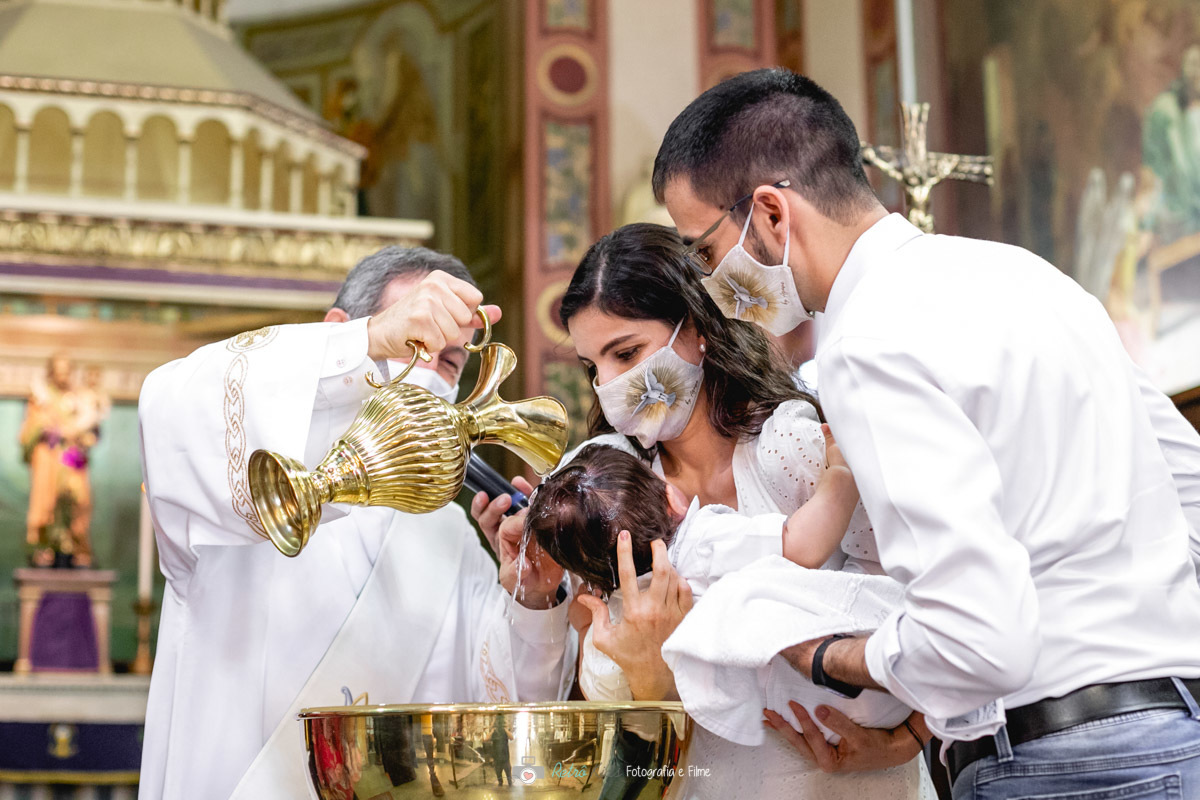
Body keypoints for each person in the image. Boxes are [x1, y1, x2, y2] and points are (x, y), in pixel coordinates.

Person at [653, 67, 1200, 797]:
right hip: (1175, 729)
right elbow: (1190, 489)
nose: (706, 281)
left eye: (702, 249)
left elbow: (979, 640)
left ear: (772, 214)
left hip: (1057, 759)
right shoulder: (1033, 278)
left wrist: (826, 655)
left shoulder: (870, 340)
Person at [474, 223, 932, 798]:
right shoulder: (599, 485)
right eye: (594, 366)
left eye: (627, 352)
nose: (610, 384)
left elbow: (924, 601)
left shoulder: (797, 446)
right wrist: (536, 596)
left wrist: (907, 737)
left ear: (694, 331)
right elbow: (525, 716)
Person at [138, 246, 575, 800]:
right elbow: (166, 403)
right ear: (338, 333)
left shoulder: (452, 538)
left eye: (450, 363)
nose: (433, 379)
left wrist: (532, 597)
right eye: (413, 343)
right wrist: (368, 344)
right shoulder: (243, 479)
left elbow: (507, 711)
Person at [20, 354, 103, 567]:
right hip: (50, 459)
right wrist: (48, 428)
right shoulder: (41, 398)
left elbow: (92, 429)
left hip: (72, 460)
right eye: (60, 371)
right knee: (47, 502)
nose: (64, 376)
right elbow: (30, 430)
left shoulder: (79, 397)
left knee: (79, 499)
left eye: (68, 371)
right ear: (51, 373)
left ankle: (77, 547)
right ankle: (44, 548)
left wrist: (82, 434)